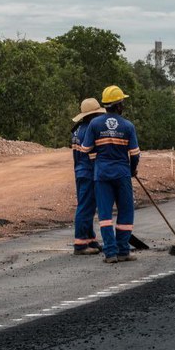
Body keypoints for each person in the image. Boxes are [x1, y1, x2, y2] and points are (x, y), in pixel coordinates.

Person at [80, 85, 140, 264]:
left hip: (102, 174)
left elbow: (85, 149)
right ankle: (123, 250)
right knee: (126, 212)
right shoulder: (127, 125)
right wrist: (132, 170)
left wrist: (96, 163)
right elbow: (135, 154)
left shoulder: (95, 124)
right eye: (122, 102)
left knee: (105, 214)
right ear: (119, 105)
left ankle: (110, 253)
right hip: (122, 174)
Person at [71, 98, 106, 255]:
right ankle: (80, 243)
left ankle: (90, 238)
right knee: (85, 207)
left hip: (79, 170)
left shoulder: (77, 129)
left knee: (88, 207)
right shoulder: (90, 131)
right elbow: (92, 156)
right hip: (88, 172)